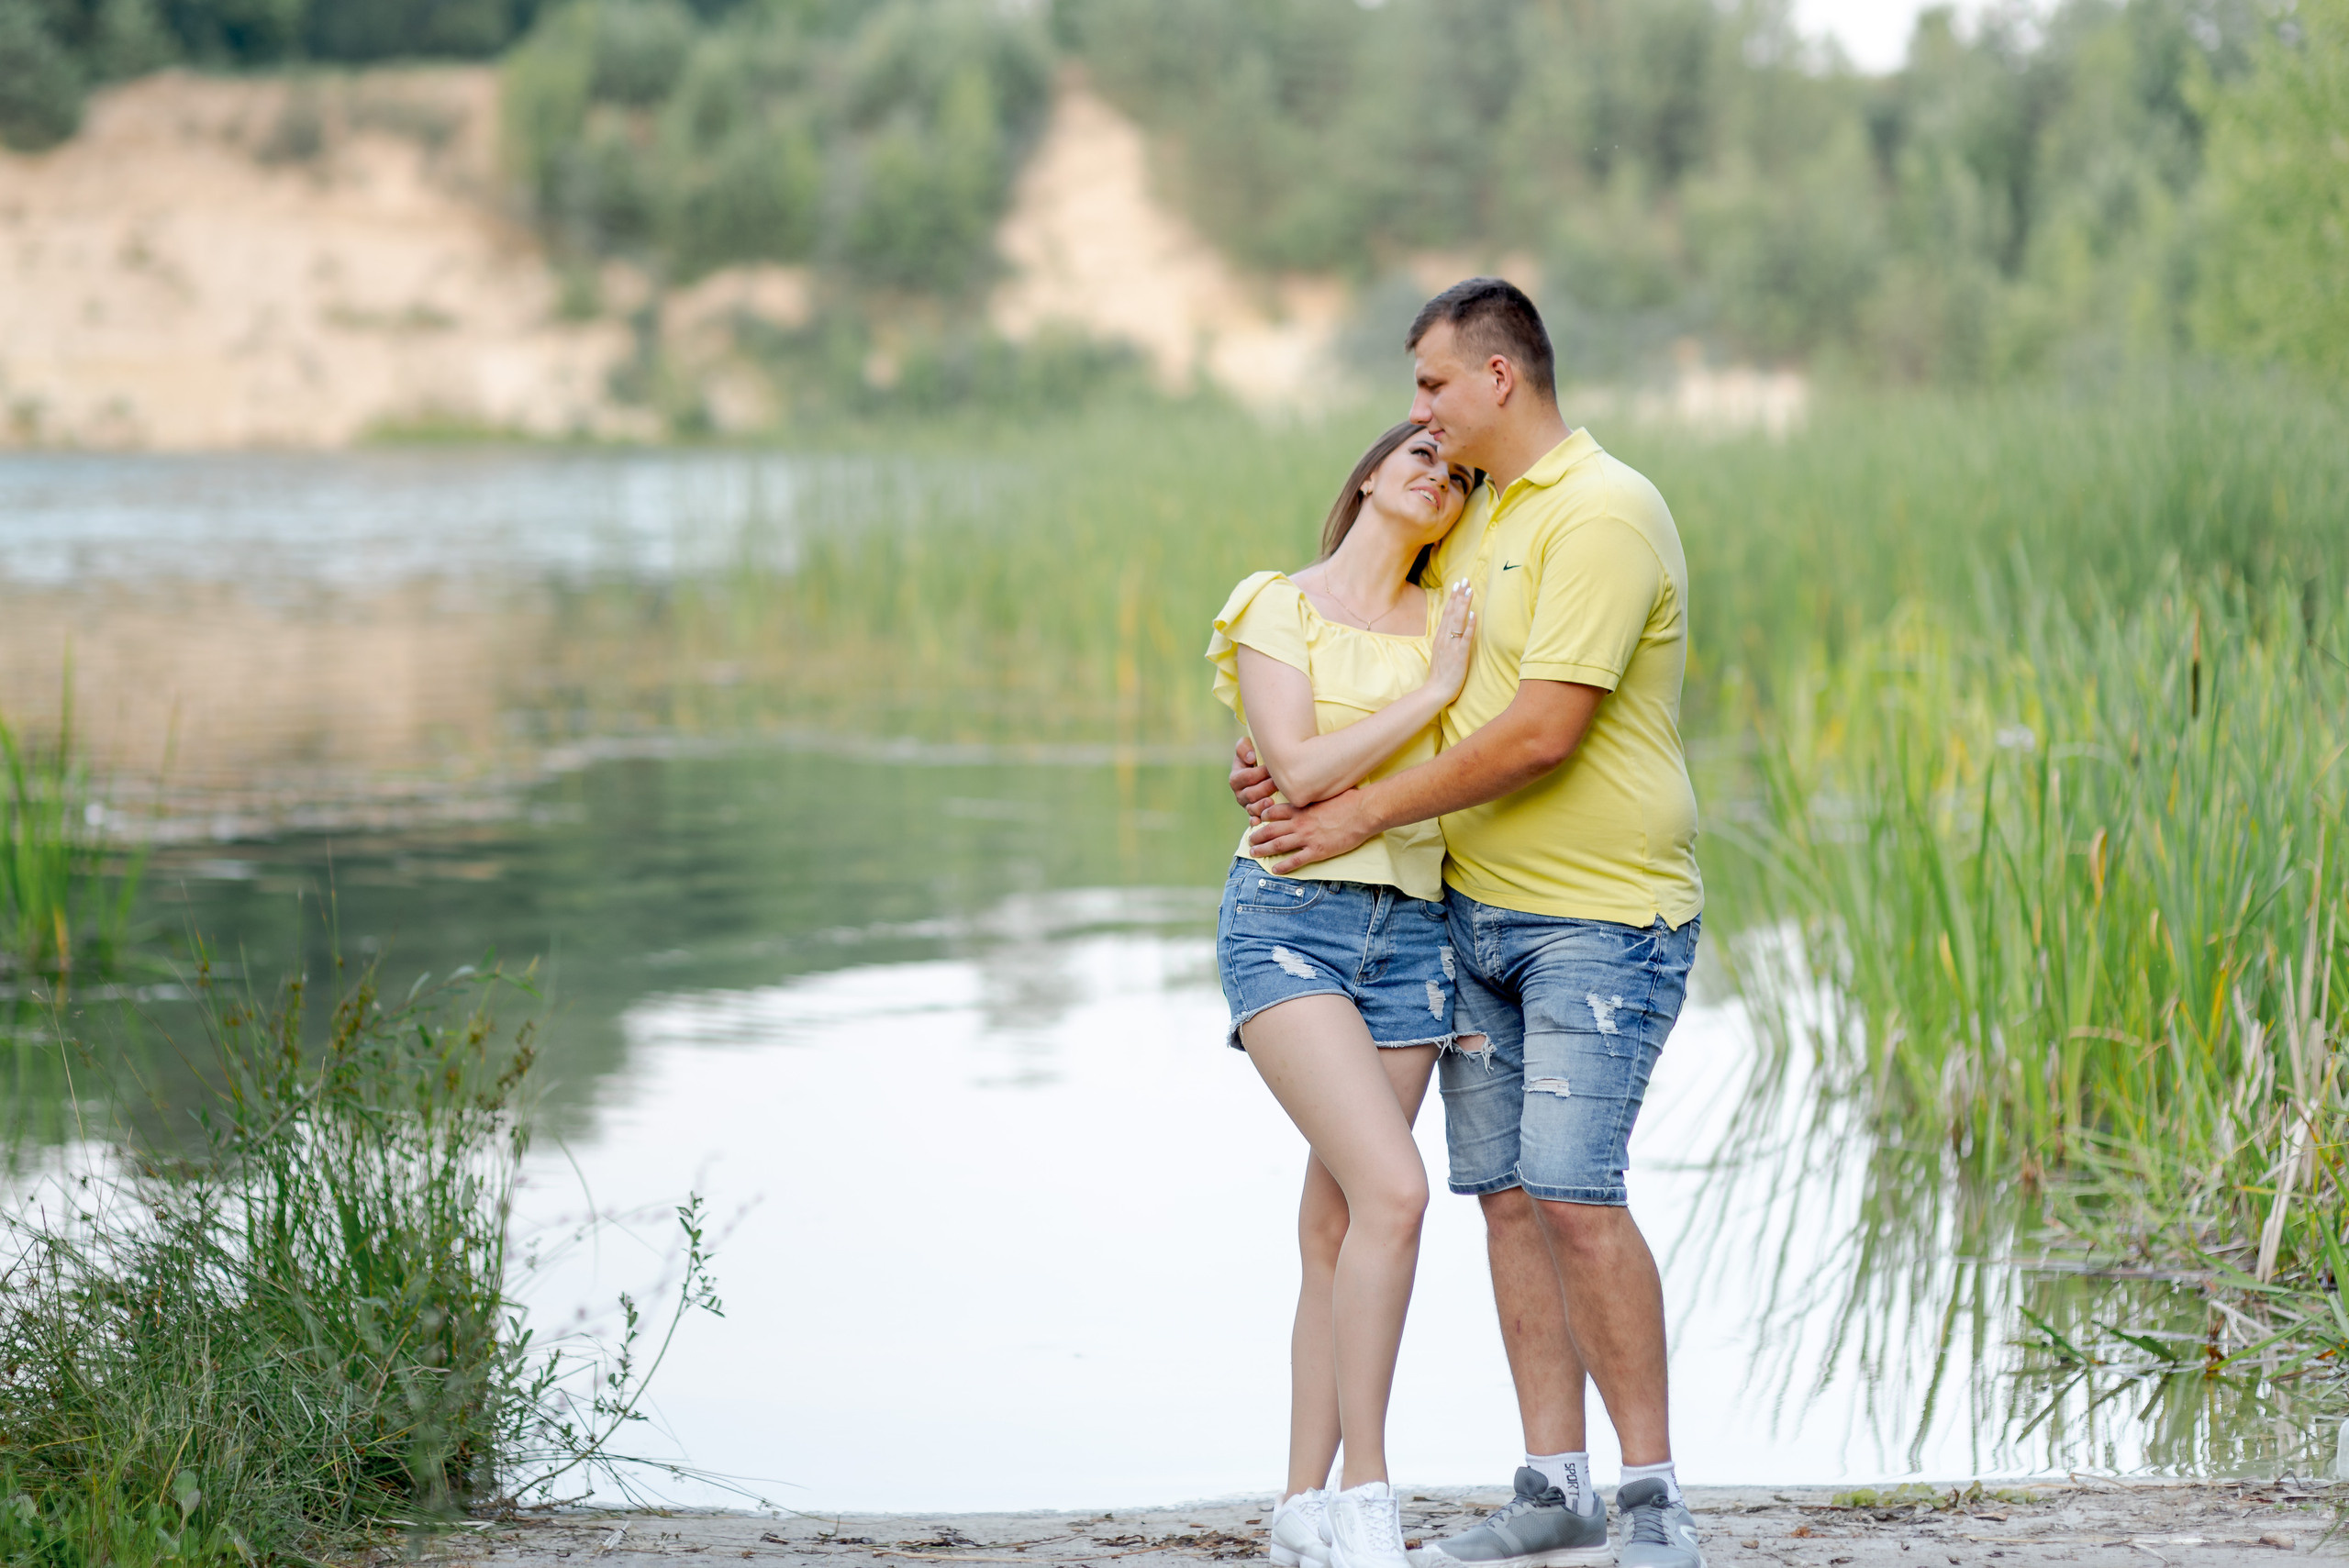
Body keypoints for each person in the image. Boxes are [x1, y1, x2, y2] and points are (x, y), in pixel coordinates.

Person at [1231, 278, 1707, 1568]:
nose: (1417, 412)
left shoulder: (1604, 511)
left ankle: (1654, 1497)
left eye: (1434, 383)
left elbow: (1543, 730)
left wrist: (1348, 806)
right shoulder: (1478, 514)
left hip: (1597, 918)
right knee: (1501, 1197)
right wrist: (1286, 771)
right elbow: (1359, 648)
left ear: (1499, 379)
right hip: (1466, 915)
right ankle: (1554, 1486)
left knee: (1574, 1192)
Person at [1208, 421, 1479, 1568]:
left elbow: (1474, 769)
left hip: (1415, 933)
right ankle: (1367, 1497)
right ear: (1370, 472)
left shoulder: (1456, 616)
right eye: (1418, 450)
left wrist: (1454, 673)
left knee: (1339, 1221)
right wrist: (1438, 691)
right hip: (1290, 925)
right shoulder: (1280, 603)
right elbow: (1302, 768)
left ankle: (1297, 1507)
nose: (1438, 472)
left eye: (1461, 473)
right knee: (1398, 1191)